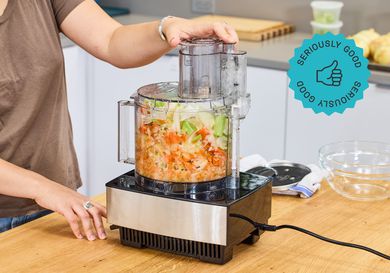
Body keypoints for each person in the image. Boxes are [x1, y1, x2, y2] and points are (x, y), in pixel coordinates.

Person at [0, 0, 238, 240]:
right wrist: (44, 188)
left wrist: (168, 27)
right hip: (33, 202)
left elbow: (111, 40)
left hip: (60, 205)